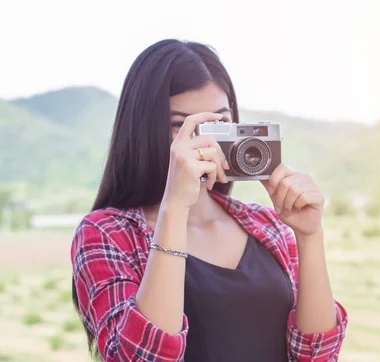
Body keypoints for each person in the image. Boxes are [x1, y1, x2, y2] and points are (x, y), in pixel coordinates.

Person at [70, 39, 348, 362]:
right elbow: (141, 358)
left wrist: (310, 236)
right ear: (143, 130)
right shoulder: (104, 234)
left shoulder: (268, 225)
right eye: (180, 125)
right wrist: (174, 208)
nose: (204, 140)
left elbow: (318, 356)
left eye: (219, 122)